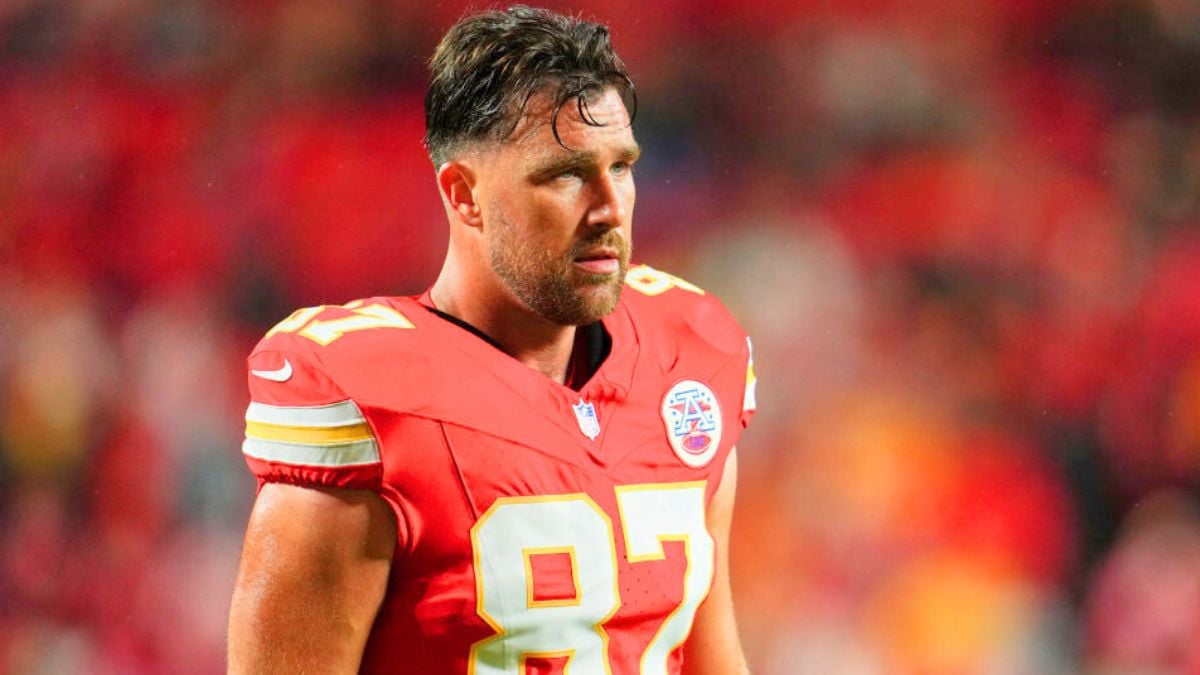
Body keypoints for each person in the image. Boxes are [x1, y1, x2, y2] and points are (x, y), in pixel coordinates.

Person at [227, 6, 757, 673]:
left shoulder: (689, 360)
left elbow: (712, 655)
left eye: (621, 166)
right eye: (564, 173)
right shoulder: (371, 409)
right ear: (466, 195)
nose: (609, 207)